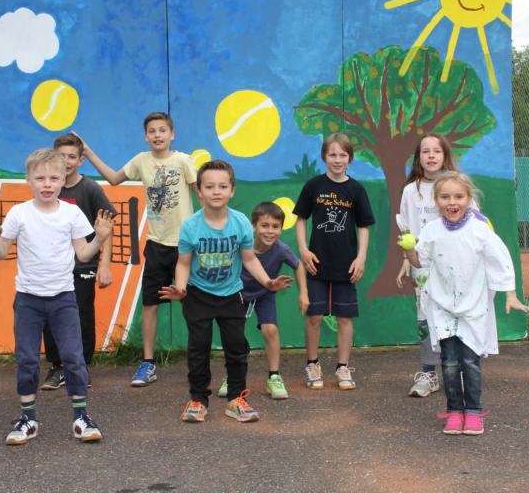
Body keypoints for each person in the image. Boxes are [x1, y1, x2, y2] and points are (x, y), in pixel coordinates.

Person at [0, 149, 113, 445]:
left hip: (63, 298)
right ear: (28, 180)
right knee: (27, 359)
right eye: (40, 178)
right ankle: (28, 418)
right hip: (28, 300)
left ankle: (81, 418)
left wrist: (100, 238)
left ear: (64, 179)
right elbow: (0, 254)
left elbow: (83, 254)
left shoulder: (72, 213)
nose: (47, 184)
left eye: (54, 178)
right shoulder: (19, 213)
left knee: (73, 357)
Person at [159, 161, 292, 423]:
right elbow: (183, 263)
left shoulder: (240, 222)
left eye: (222, 186)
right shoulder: (190, 226)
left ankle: (236, 400)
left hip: (231, 294)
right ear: (199, 191)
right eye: (209, 186)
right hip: (197, 294)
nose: (216, 191)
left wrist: (267, 282)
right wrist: (181, 288)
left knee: (236, 348)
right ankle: (198, 401)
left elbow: (249, 259)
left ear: (232, 190)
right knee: (198, 348)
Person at [403, 171, 529, 436]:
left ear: (469, 198)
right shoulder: (430, 230)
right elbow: (420, 261)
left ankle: (473, 412)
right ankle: (454, 412)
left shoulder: (480, 230)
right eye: (445, 197)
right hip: (442, 307)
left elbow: (500, 259)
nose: (452, 202)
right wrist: (409, 251)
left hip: (473, 308)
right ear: (436, 200)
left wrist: (510, 293)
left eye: (458, 196)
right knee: (449, 362)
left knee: (470, 362)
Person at [78, 112, 197, 387]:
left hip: (186, 244)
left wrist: (207, 230)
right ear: (146, 136)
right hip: (156, 245)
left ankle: (198, 359)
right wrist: (88, 152)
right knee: (150, 304)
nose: (157, 135)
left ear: (172, 134)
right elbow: (113, 178)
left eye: (162, 130)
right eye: (152, 131)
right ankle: (147, 363)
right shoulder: (141, 161)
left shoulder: (183, 161)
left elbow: (201, 194)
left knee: (194, 303)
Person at [294, 133, 375, 390]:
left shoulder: (356, 189)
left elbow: (364, 226)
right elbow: (300, 219)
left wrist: (361, 258)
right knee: (314, 316)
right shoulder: (313, 186)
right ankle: (312, 364)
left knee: (345, 318)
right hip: (316, 263)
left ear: (349, 158)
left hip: (346, 265)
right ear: (324, 157)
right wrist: (304, 250)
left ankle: (343, 367)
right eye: (332, 155)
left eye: (342, 155)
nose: (337, 160)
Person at [40, 133, 116, 391]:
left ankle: (80, 366)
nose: (66, 161)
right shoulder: (49, 188)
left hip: (83, 265)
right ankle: (58, 366)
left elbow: (106, 227)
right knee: (51, 316)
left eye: (72, 156)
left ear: (81, 160)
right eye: (61, 156)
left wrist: (104, 264)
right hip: (52, 268)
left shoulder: (90, 189)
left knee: (81, 315)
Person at [216, 201, 308, 400]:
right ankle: (232, 377)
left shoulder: (281, 249)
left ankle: (274, 376)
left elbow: (298, 266)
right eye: (265, 225)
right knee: (233, 335)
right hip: (238, 293)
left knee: (270, 329)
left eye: (276, 227)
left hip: (265, 292)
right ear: (253, 226)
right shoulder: (242, 245)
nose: (270, 231)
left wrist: (303, 293)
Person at [396, 133, 462, 399]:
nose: (431, 155)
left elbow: (474, 222)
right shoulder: (410, 191)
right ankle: (428, 373)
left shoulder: (457, 186)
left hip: (456, 267)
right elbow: (407, 230)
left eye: (437, 151)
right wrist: (407, 259)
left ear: (445, 156)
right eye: (426, 151)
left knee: (456, 316)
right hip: (422, 268)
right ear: (418, 158)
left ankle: (458, 370)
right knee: (426, 318)